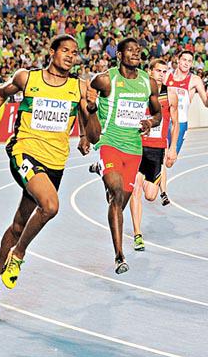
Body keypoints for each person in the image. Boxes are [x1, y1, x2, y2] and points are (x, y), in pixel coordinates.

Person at [0, 35, 94, 314]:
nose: (70, 55)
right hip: (24, 152)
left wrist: (89, 118)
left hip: (55, 162)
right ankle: (18, 254)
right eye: (65, 50)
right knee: (50, 206)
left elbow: (91, 129)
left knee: (19, 225)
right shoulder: (28, 78)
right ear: (52, 52)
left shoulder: (79, 87)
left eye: (74, 52)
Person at [87, 37, 161, 274]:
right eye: (130, 50)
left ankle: (102, 171)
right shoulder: (105, 79)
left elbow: (157, 114)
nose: (136, 53)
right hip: (110, 143)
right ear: (119, 55)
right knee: (117, 194)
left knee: (118, 202)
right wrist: (86, 131)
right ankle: (119, 255)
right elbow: (86, 98)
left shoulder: (148, 82)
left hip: (133, 149)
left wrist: (150, 122)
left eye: (138, 50)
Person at [129, 58, 179, 251]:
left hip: (156, 150)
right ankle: (137, 234)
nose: (161, 75)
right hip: (137, 146)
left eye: (164, 72)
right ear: (150, 71)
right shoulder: (140, 92)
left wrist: (172, 148)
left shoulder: (170, 95)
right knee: (136, 190)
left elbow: (175, 123)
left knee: (150, 195)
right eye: (158, 71)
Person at [158, 50, 208, 205]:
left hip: (181, 123)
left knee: (169, 161)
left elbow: (206, 103)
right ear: (178, 60)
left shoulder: (195, 80)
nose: (186, 63)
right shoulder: (167, 76)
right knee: (161, 156)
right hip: (165, 121)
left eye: (189, 61)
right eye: (184, 60)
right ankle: (163, 193)